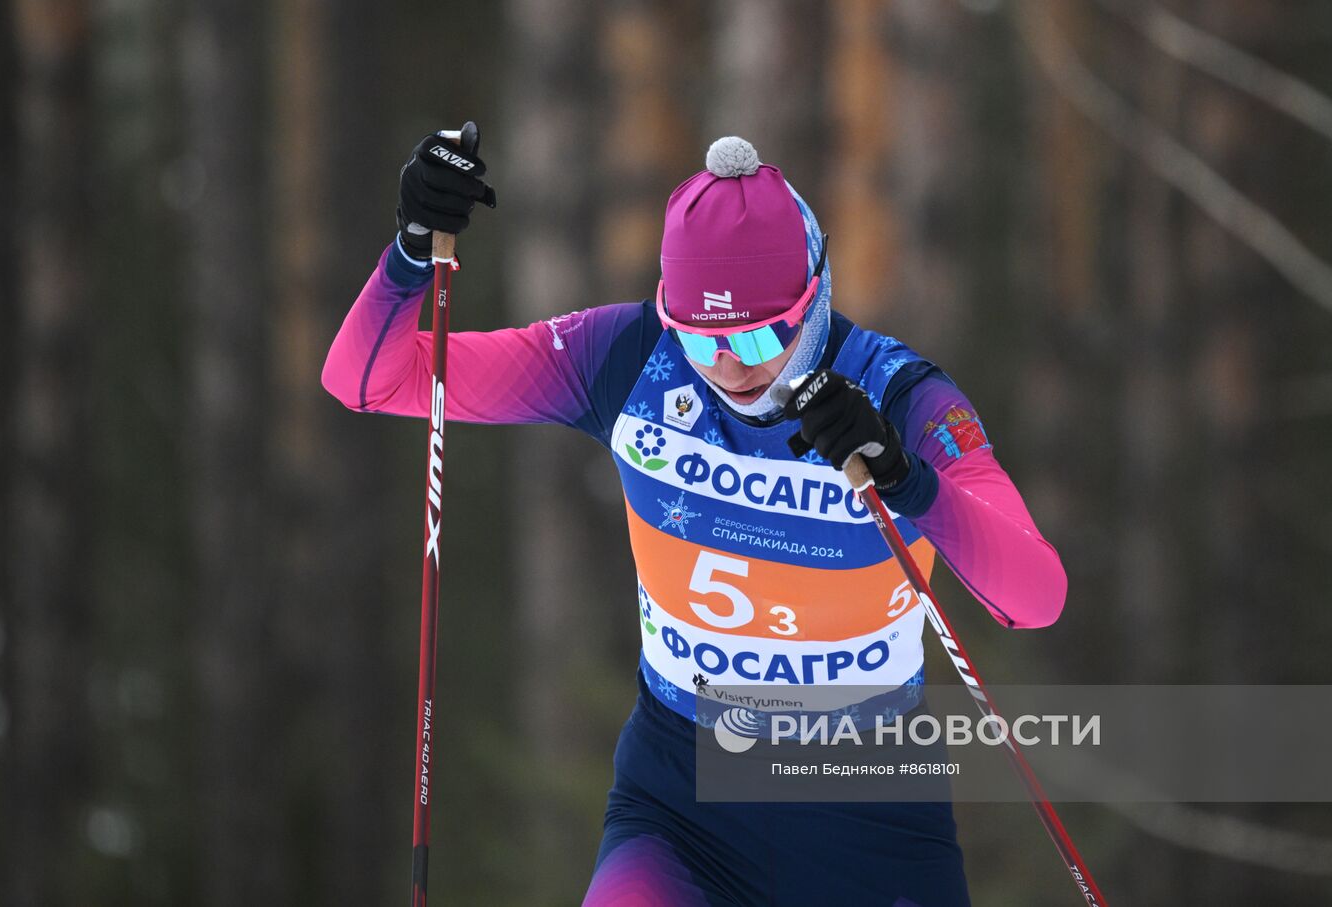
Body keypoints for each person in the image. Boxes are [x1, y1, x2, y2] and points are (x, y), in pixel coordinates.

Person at [322, 125, 1067, 906]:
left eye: (759, 333)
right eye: (703, 340)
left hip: (869, 816)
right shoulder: (628, 357)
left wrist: (911, 484)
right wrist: (411, 250)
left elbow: (1035, 595)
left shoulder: (900, 399)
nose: (731, 365)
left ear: (816, 295)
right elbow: (370, 380)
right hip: (681, 802)